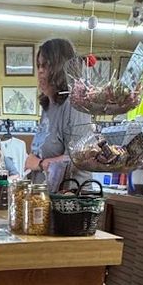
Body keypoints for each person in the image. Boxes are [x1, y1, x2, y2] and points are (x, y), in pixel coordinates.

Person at [24, 37, 90, 191]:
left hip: (69, 201)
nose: (40, 71)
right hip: (47, 197)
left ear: (59, 68)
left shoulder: (74, 106)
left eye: (46, 65)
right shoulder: (49, 106)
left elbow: (81, 159)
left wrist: (39, 164)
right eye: (39, 65)